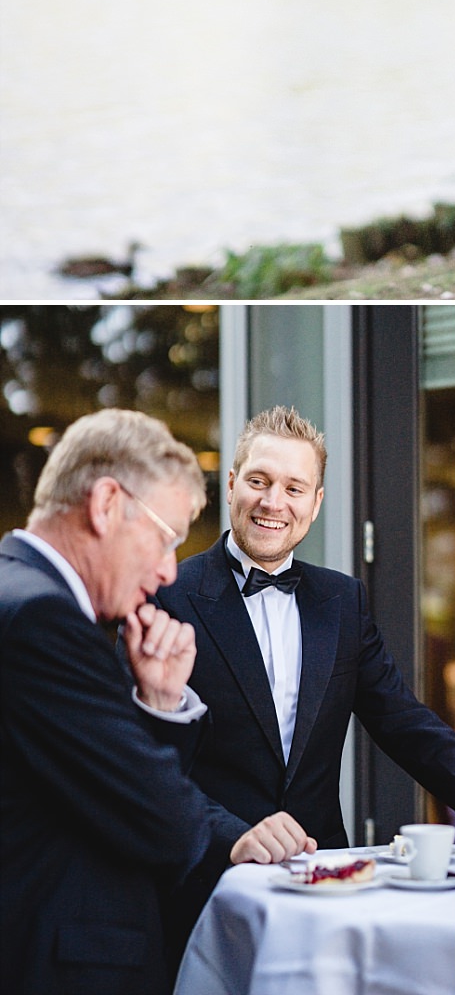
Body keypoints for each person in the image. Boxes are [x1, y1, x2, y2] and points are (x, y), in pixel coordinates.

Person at [1, 410, 307, 995]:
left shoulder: (17, 594)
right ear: (107, 503)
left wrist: (160, 701)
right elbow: (164, 824)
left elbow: (90, 790)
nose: (168, 568)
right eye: (165, 537)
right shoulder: (43, 620)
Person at [155, 405, 455, 942]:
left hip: (326, 882)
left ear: (316, 504)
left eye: (295, 488)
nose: (274, 502)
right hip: (206, 883)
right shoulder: (166, 596)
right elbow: (144, 757)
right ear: (231, 486)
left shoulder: (342, 599)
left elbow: (401, 720)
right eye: (259, 481)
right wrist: (233, 834)